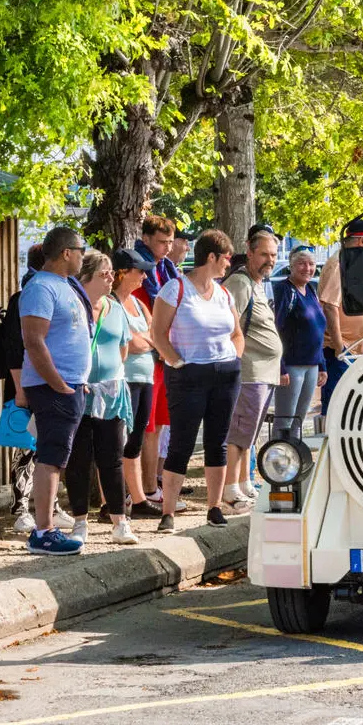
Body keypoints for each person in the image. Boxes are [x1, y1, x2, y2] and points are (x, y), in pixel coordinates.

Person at [150, 229, 244, 534]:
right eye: (226, 258)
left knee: (218, 441)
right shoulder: (175, 289)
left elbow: (237, 333)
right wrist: (178, 363)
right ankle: (168, 512)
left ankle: (214, 507)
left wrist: (235, 359)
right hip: (188, 375)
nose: (228, 265)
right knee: (182, 442)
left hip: (224, 374)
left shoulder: (223, 293)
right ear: (211, 257)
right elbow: (158, 334)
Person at [20, 226, 91, 555]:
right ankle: (44, 531)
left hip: (70, 385)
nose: (82, 255)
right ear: (66, 252)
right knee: (50, 457)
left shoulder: (64, 285)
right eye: (80, 249)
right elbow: (34, 341)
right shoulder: (41, 288)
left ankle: (47, 527)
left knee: (57, 457)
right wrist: (59, 384)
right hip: (53, 388)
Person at [65, 250, 140, 545]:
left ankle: (120, 522)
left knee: (111, 458)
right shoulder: (72, 307)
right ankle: (80, 521)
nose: (111, 278)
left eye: (111, 273)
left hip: (110, 392)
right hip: (79, 391)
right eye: (104, 273)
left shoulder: (115, 308)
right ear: (85, 278)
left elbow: (122, 349)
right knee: (79, 459)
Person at [0, 246, 75, 534]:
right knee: (24, 448)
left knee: (49, 448)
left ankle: (51, 506)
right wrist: (20, 390)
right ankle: (20, 508)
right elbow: (13, 348)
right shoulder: (23, 299)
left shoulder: (58, 296)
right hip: (25, 384)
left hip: (49, 381)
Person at [222, 230, 284, 511]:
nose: (269, 260)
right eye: (264, 254)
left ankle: (244, 483)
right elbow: (227, 324)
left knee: (251, 432)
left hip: (264, 372)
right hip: (249, 371)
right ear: (249, 252)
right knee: (239, 431)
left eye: (273, 255)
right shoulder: (240, 282)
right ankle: (230, 488)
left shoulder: (258, 283)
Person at [111, 248, 162, 520]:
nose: (144, 275)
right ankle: (113, 499)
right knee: (117, 441)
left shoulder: (139, 304)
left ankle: (138, 498)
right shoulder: (111, 304)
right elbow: (129, 343)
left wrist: (143, 340)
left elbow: (152, 336)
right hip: (124, 379)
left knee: (136, 441)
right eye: (139, 270)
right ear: (123, 273)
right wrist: (144, 341)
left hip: (146, 378)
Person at [317, 219, 363, 421]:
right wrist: (339, 346)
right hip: (342, 352)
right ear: (362, 241)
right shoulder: (340, 264)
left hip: (353, 350)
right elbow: (330, 305)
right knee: (338, 409)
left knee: (352, 408)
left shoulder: (353, 263)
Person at [134, 215, 179, 503]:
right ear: (146, 238)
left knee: (160, 423)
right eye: (161, 242)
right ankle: (147, 489)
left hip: (165, 356)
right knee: (147, 427)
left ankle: (155, 484)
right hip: (149, 354)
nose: (166, 248)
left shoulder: (168, 268)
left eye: (170, 242)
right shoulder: (140, 268)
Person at [273, 246, 327, 441]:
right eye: (302, 263)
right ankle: (278, 458)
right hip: (291, 365)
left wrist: (322, 364)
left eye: (311, 264)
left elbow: (318, 330)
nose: (307, 268)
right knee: (285, 420)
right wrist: (281, 367)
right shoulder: (284, 289)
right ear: (291, 266)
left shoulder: (311, 289)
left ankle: (294, 458)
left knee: (299, 419)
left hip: (312, 365)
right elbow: (277, 328)